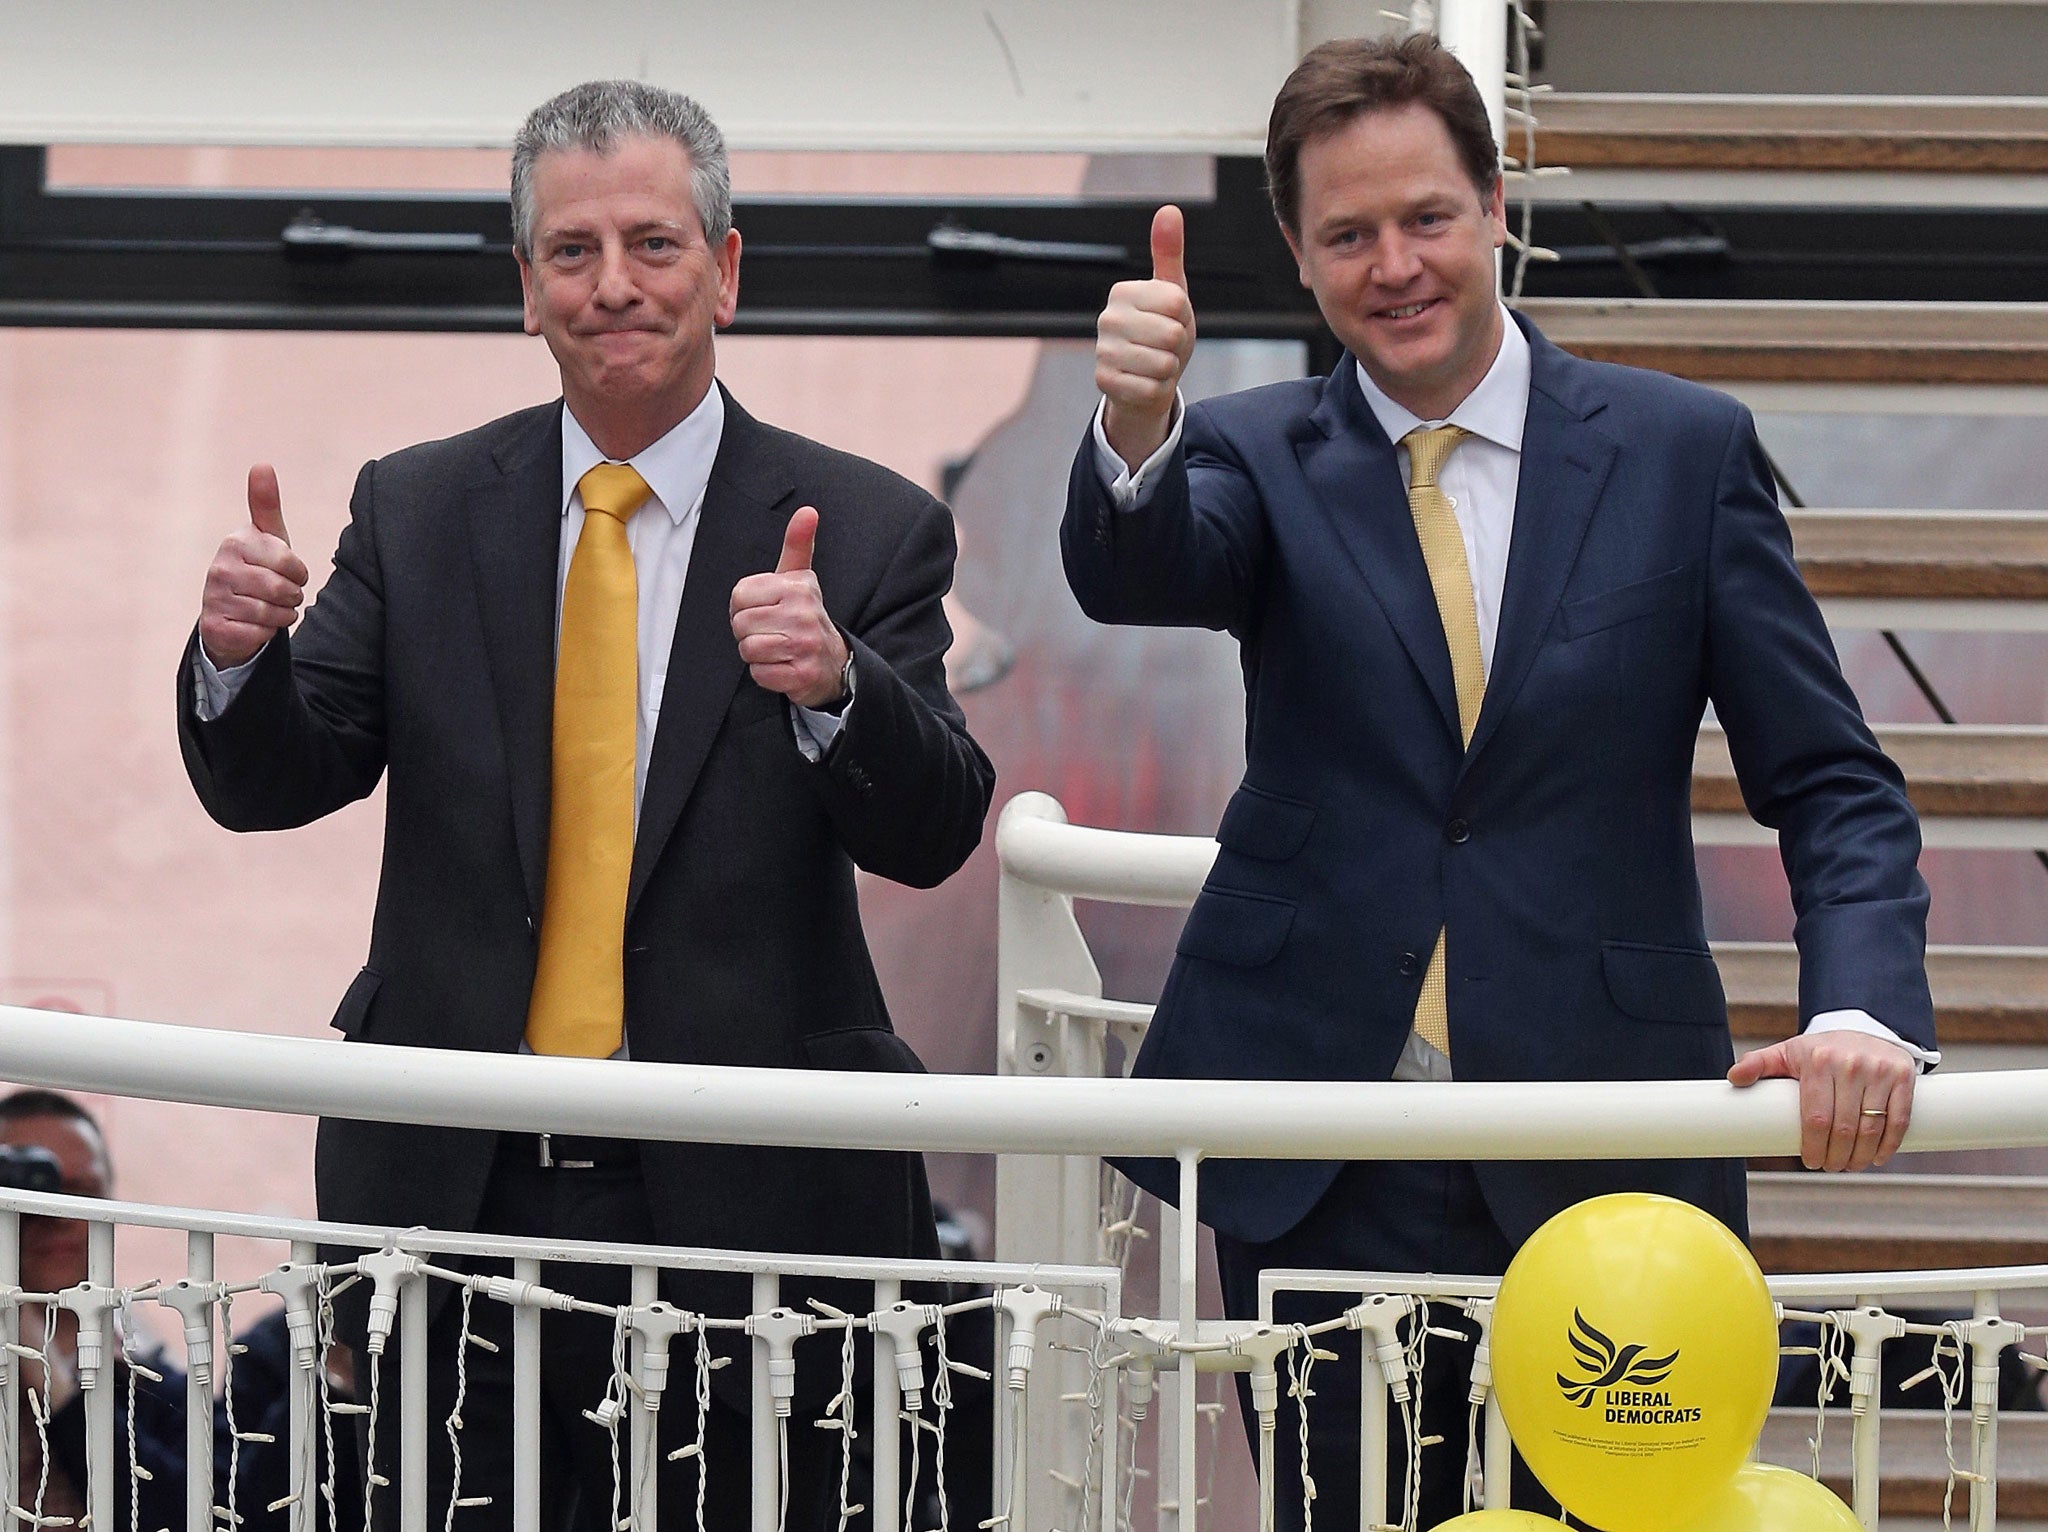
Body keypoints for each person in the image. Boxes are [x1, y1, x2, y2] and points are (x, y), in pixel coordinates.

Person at [1060, 34, 1936, 1528]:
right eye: (1347, 235)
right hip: (1325, 1146)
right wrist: (1134, 428)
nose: (1394, 265)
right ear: (1297, 251)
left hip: (1609, 1138)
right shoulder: (1250, 451)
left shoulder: (1681, 453)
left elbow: (1834, 781)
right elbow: (1139, 566)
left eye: (1426, 219)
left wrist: (1859, 1013)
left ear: (1496, 206)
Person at [178, 79, 994, 1531]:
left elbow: (933, 832)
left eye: (654, 244)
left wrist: (836, 689)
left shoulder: (864, 525)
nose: (612, 285)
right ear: (527, 286)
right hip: (455, 1204)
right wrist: (238, 661)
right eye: (571, 252)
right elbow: (287, 777)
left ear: (727, 271)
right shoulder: (420, 508)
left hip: (756, 1225)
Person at [0, 1090, 188, 1532]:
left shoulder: (161, 1386)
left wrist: (47, 1368)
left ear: (111, 1203)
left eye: (79, 1193)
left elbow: (175, 1514)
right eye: (27, 1188)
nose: (55, 1213)